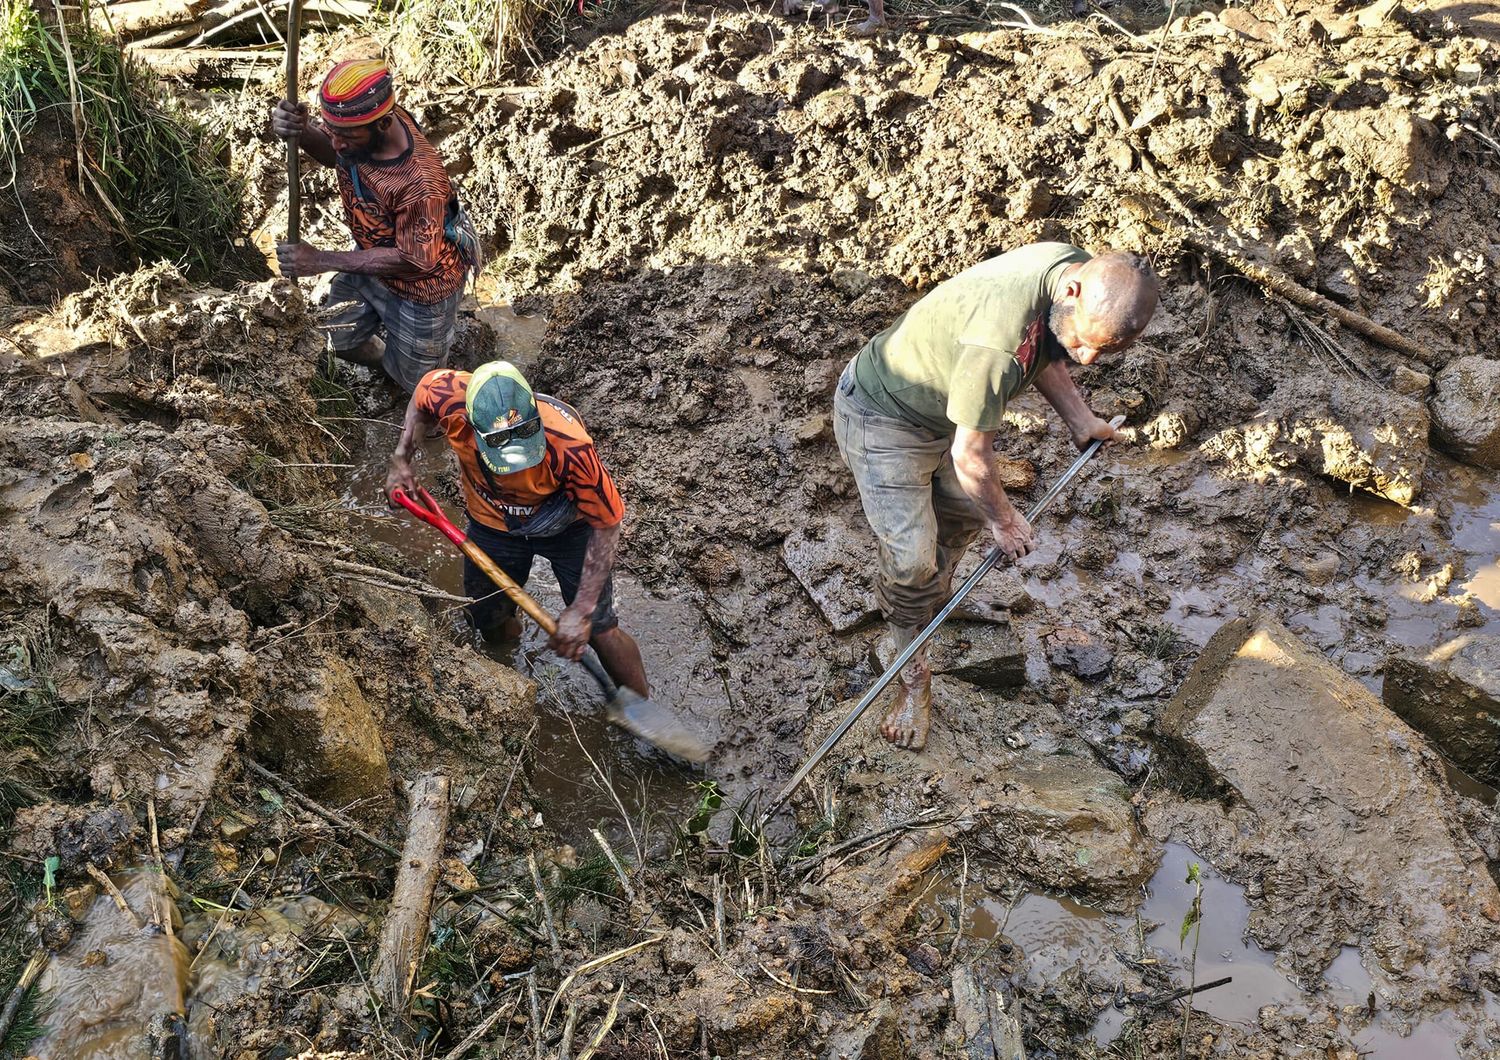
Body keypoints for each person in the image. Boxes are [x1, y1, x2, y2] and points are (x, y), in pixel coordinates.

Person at [833, 242, 1159, 751]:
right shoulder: (999, 342)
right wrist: (1006, 522)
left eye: (1105, 351)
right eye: (1086, 341)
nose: (1088, 357)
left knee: (963, 512)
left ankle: (922, 607)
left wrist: (1080, 419)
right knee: (912, 557)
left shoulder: (1070, 278)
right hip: (883, 416)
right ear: (1073, 290)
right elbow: (972, 457)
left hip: (943, 408)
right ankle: (910, 672)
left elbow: (1044, 350)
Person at [386, 360, 649, 697]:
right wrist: (400, 460)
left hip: (568, 527)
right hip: (493, 522)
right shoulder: (446, 395)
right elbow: (420, 399)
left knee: (599, 629)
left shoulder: (569, 445)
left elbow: (608, 524)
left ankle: (641, 707)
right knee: (487, 616)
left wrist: (581, 610)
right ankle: (508, 667)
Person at [270, 59, 477, 392]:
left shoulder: (419, 183)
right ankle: (390, 366)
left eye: (346, 136)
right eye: (329, 129)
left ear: (383, 125)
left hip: (422, 286)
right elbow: (336, 155)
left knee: (423, 388)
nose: (336, 143)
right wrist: (302, 132)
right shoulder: (365, 133)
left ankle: (420, 404)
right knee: (336, 334)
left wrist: (320, 260)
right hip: (373, 258)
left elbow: (416, 258)